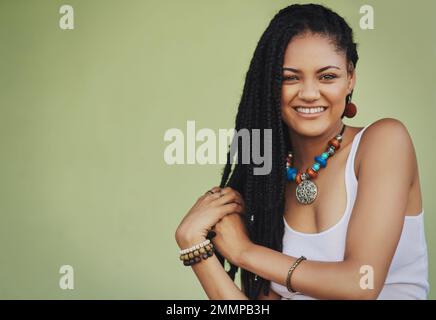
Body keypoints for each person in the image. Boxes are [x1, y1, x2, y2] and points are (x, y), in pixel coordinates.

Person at [175, 3, 429, 300]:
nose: (309, 93)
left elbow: (362, 283)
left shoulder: (384, 141)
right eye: (290, 77)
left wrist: (244, 251)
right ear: (270, 86)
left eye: (327, 77)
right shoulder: (266, 180)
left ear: (351, 78)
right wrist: (195, 247)